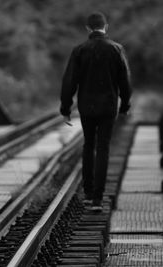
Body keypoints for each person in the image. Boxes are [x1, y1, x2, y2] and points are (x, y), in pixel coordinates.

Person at [60, 12, 132, 211]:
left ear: (87, 29)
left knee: (88, 145)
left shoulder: (79, 50)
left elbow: (69, 81)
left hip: (87, 107)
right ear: (106, 27)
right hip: (108, 107)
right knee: (103, 148)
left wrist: (65, 108)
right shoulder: (117, 49)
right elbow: (125, 80)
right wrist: (125, 104)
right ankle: (99, 199)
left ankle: (88, 194)